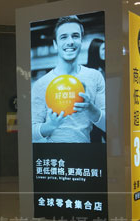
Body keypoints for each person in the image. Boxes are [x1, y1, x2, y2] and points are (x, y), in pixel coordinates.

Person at [32, 15, 106, 143]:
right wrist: (51, 125)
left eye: (75, 36)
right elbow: (31, 132)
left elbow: (108, 125)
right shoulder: (41, 84)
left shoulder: (95, 77)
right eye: (63, 37)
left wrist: (91, 108)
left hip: (87, 152)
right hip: (52, 154)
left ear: (81, 41)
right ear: (55, 44)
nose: (70, 42)